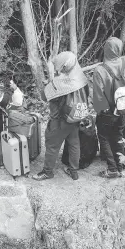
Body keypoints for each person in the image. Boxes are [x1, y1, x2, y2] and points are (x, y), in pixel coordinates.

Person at [32, 51, 89, 181]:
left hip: (59, 121)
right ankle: (73, 171)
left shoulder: (59, 83)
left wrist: (51, 81)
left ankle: (47, 172)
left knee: (52, 146)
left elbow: (44, 96)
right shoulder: (81, 77)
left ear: (63, 66)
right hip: (75, 117)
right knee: (74, 144)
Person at [93, 37, 125, 179]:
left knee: (104, 137)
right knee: (118, 135)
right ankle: (121, 165)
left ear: (106, 49)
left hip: (107, 111)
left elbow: (98, 95)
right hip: (123, 108)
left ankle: (112, 169)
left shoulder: (100, 70)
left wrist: (100, 111)